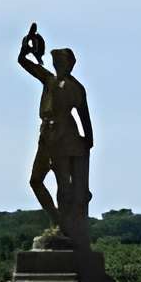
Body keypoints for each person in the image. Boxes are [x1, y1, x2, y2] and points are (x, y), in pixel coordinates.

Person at [16, 24, 93, 244]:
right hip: (46, 135)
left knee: (63, 185)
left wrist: (88, 141)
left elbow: (84, 116)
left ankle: (64, 226)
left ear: (69, 64)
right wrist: (26, 48)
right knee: (35, 181)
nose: (56, 65)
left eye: (60, 61)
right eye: (55, 62)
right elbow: (23, 63)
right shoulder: (49, 79)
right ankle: (58, 221)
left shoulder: (76, 88)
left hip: (64, 136)